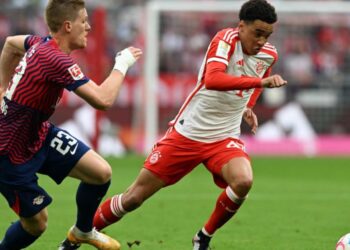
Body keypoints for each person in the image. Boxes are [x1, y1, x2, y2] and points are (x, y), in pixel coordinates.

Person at [92, 0, 286, 249]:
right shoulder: (225, 39)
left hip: (223, 136)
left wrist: (248, 105)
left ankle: (203, 237)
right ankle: (81, 232)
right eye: (258, 33)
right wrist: (259, 85)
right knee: (134, 197)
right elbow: (213, 79)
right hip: (188, 133)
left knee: (243, 181)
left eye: (267, 35)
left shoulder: (269, 54)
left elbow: (258, 79)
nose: (261, 41)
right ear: (241, 26)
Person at [0, 0, 142, 249]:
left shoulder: (39, 43)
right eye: (84, 21)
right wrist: (122, 63)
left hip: (38, 134)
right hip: (9, 151)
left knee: (100, 173)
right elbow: (102, 99)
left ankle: (82, 231)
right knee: (37, 224)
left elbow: (11, 43)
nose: (88, 27)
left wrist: (2, 86)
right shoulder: (56, 60)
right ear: (68, 26)